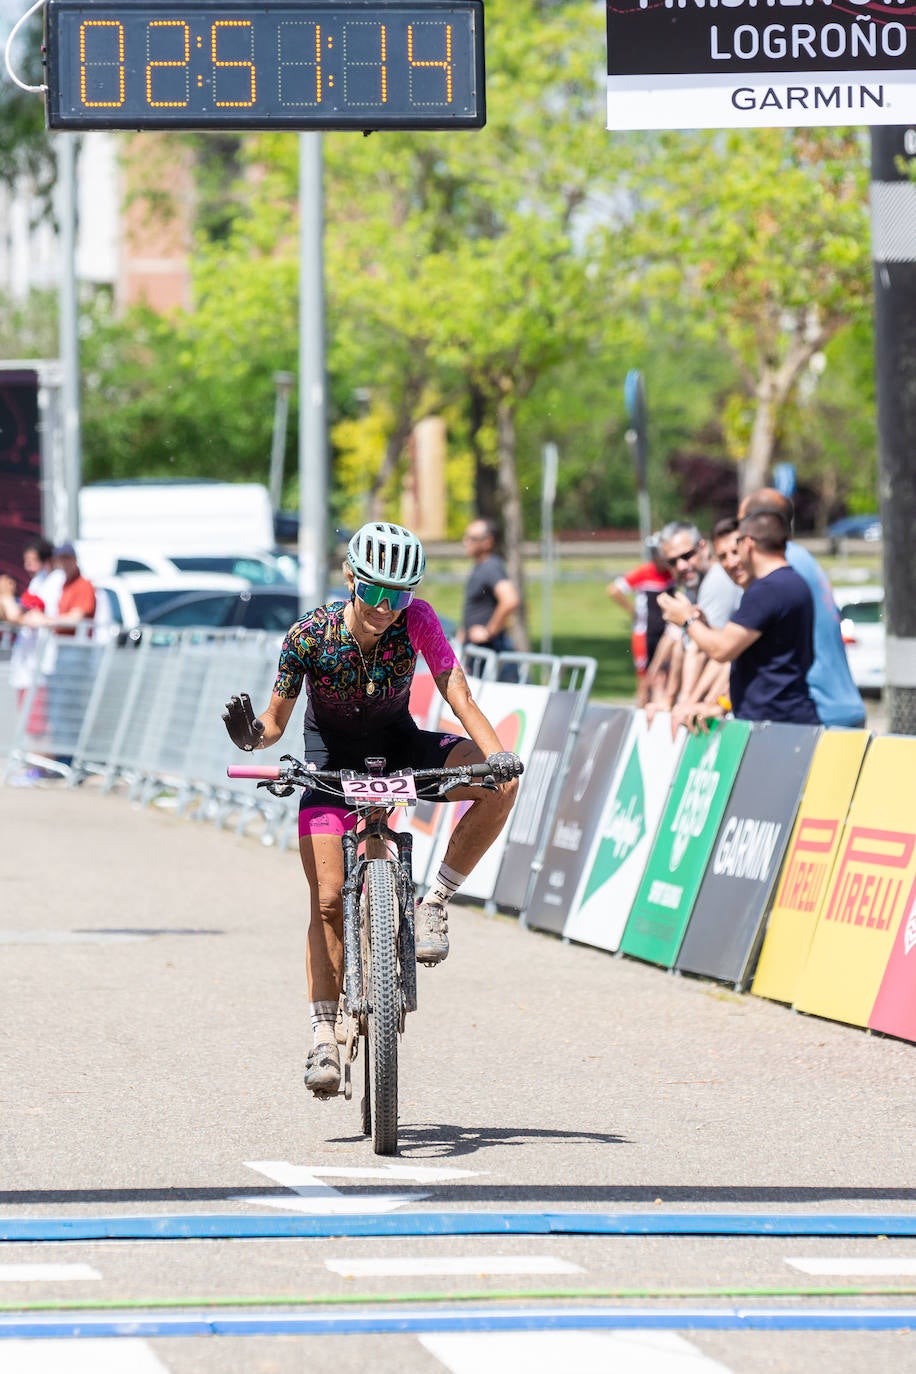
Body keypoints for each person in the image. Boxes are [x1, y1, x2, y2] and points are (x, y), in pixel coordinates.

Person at [222, 522, 522, 1100]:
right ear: (350, 579)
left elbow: (457, 693)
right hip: (330, 763)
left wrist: (496, 756)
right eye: (376, 592)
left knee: (499, 787)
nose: (387, 607)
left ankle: (433, 902)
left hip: (398, 747)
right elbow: (275, 725)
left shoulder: (418, 621)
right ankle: (322, 1036)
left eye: (400, 594)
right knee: (329, 899)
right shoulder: (308, 636)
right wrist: (251, 738)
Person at [659, 509, 819, 725]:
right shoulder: (793, 582)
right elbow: (748, 653)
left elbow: (722, 650)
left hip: (775, 726)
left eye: (737, 547)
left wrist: (687, 620)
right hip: (787, 719)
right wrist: (721, 704)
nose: (732, 561)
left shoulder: (767, 590)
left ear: (748, 543)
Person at [738, 488, 866, 729]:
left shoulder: (778, 569)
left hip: (816, 710)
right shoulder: (802, 559)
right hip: (842, 705)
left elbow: (734, 642)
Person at [648, 521, 743, 710]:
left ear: (703, 547)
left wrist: (686, 703)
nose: (681, 566)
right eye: (672, 562)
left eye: (686, 556)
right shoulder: (692, 585)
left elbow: (711, 652)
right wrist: (669, 699)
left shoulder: (716, 581)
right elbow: (680, 645)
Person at [0, 537, 64, 783]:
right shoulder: (39, 582)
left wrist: (7, 597)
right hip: (27, 662)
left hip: (43, 662)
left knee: (39, 720)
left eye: (32, 561)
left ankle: (42, 769)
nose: (27, 566)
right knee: (29, 718)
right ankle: (34, 765)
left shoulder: (54, 583)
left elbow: (31, 617)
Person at [607, 534, 674, 707]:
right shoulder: (644, 572)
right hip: (644, 633)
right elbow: (614, 590)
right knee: (644, 679)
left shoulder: (671, 573)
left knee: (664, 676)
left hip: (665, 632)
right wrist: (632, 611)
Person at [459, 518, 521, 655]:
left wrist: (489, 631)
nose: (466, 542)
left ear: (487, 542)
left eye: (472, 538)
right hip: (477, 650)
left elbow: (510, 600)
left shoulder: (491, 567)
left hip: (490, 650)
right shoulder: (480, 567)